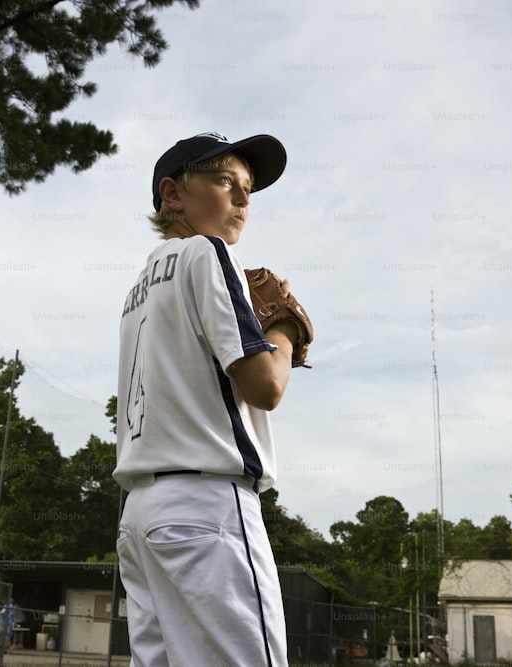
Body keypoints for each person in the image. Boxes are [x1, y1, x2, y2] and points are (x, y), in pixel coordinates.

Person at [113, 132, 298, 666]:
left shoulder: (137, 288)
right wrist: (282, 330)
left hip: (141, 517)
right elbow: (266, 386)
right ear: (172, 195)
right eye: (224, 181)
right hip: (206, 508)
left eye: (248, 190)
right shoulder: (208, 252)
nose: (242, 199)